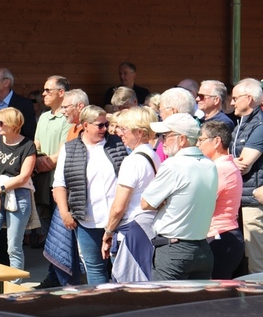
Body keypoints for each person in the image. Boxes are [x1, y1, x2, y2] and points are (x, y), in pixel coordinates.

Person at [50, 105, 127, 285]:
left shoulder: (117, 143)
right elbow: (59, 184)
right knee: (94, 267)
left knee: (120, 267)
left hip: (118, 218)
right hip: (87, 220)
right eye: (100, 125)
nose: (105, 129)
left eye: (106, 124)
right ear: (85, 125)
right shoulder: (70, 148)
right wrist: (64, 213)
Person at [141, 113, 218, 280]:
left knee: (167, 304)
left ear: (182, 139)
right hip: (202, 249)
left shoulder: (173, 164)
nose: (161, 141)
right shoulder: (209, 164)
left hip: (174, 250)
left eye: (165, 136)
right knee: (198, 305)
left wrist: (165, 201)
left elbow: (146, 203)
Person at [101, 106, 160, 282]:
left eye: (124, 129)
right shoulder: (153, 156)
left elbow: (119, 206)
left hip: (133, 229)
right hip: (149, 226)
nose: (120, 133)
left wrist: (108, 231)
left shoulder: (132, 161)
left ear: (140, 133)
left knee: (129, 285)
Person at [0, 107, 36, 275]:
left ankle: (14, 287)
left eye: (0, 122)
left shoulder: (28, 145)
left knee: (14, 246)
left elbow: (24, 177)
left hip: (19, 195)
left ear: (12, 124)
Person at [197, 121, 244, 279]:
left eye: (201, 140)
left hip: (220, 238)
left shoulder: (220, 169)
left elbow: (200, 201)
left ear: (216, 141)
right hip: (224, 236)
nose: (198, 144)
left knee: (216, 297)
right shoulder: (226, 166)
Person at [229, 78, 263, 274]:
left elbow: (244, 165)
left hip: (253, 205)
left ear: (249, 99)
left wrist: (228, 162)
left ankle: (257, 302)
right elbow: (236, 161)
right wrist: (231, 161)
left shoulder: (259, 126)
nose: (232, 102)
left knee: (256, 262)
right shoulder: (240, 125)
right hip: (241, 201)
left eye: (235, 98)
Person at [33, 76, 71, 247]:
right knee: (46, 226)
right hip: (42, 180)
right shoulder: (43, 117)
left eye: (48, 90)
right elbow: (36, 145)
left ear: (61, 92)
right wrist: (37, 161)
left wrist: (45, 162)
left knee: (61, 231)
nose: (44, 94)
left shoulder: (67, 118)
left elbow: (63, 150)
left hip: (60, 181)